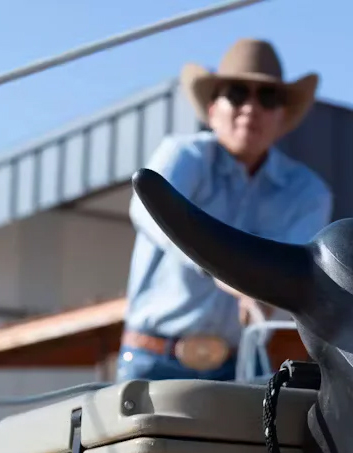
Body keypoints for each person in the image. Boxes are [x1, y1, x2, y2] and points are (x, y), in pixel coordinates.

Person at [119, 38, 333, 383]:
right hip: (153, 362)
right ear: (212, 108)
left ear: (281, 117)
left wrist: (263, 289)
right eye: (236, 93)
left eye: (267, 97)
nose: (250, 108)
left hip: (242, 366)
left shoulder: (308, 192)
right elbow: (147, 212)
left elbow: (293, 271)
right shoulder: (181, 156)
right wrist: (232, 273)